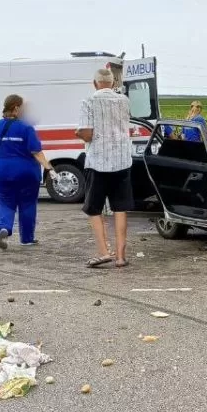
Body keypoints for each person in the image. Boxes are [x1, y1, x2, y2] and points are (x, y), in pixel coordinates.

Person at [76, 68, 134, 268]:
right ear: (113, 83)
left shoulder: (89, 101)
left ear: (95, 83)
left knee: (94, 209)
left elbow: (88, 134)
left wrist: (79, 133)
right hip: (121, 161)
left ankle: (103, 252)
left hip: (98, 162)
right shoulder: (124, 101)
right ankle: (120, 256)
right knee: (120, 209)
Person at [0, 94, 55, 249]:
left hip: (2, 171)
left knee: (4, 201)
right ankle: (27, 239)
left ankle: (3, 228)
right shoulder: (26, 127)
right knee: (27, 204)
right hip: (27, 173)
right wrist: (48, 167)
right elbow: (36, 151)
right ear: (16, 108)